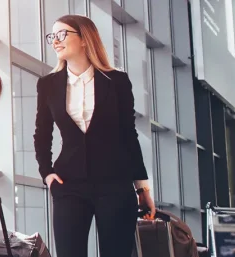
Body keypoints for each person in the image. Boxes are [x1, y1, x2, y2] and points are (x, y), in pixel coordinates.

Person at [33, 15, 156, 257]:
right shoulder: (47, 84)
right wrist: (47, 173)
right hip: (68, 185)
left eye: (62, 34)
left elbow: (129, 135)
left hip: (115, 184)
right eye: (52, 36)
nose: (55, 41)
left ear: (84, 39)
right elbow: (42, 134)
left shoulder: (117, 81)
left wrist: (142, 189)